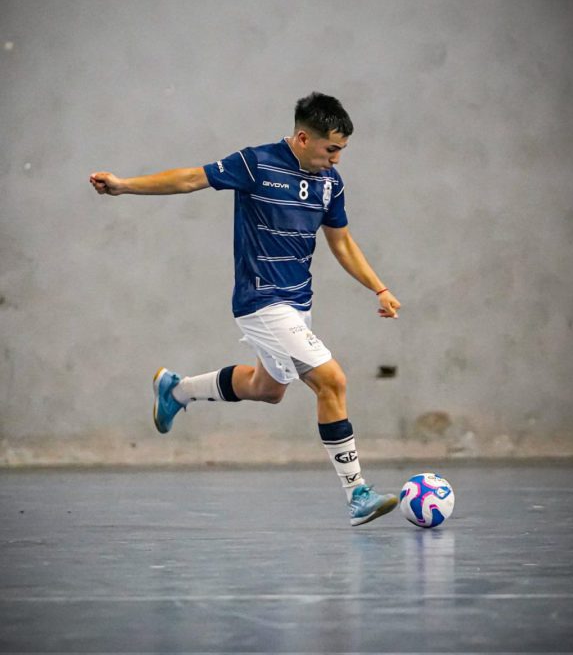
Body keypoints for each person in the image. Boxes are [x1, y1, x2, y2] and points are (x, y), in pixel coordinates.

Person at [90, 92, 402, 526]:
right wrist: (124, 185)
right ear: (303, 138)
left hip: (298, 303)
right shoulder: (256, 164)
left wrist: (378, 288)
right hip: (261, 301)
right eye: (331, 149)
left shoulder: (330, 183)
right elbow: (190, 179)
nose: (336, 159)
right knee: (332, 381)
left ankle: (176, 391)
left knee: (267, 388)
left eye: (342, 150)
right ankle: (357, 493)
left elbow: (342, 242)